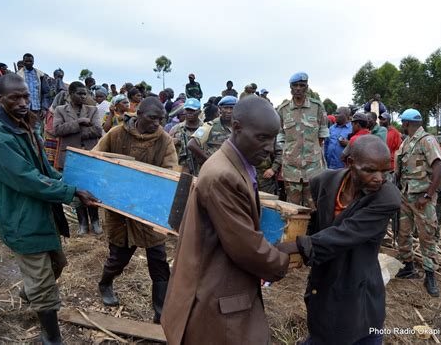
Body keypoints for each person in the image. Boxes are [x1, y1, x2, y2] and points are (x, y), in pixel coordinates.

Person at [161, 96, 295, 344]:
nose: (269, 147)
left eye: (273, 138)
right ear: (237, 128)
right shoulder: (223, 175)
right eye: (262, 138)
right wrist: (285, 260)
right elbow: (245, 248)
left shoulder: (237, 164)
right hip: (213, 294)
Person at [0, 73, 98, 344]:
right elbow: (25, 178)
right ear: (0, 99)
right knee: (44, 282)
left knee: (57, 263)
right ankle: (51, 337)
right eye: (14, 97)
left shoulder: (26, 124)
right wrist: (69, 191)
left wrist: (70, 184)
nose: (22, 102)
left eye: (26, 96)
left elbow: (43, 168)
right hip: (19, 214)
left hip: (39, 211)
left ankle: (29, 291)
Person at [291, 135, 401, 345]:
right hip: (323, 278)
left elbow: (344, 234)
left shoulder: (387, 197)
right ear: (350, 163)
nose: (379, 178)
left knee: (357, 329)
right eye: (369, 170)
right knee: (322, 326)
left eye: (384, 171)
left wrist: (292, 247)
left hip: (358, 281)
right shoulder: (324, 181)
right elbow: (318, 223)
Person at [94, 97, 177, 323]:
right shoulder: (116, 134)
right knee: (119, 256)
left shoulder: (165, 141)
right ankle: (105, 283)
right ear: (138, 113)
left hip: (150, 211)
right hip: (120, 209)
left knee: (158, 261)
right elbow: (96, 159)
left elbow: (170, 171)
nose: (157, 123)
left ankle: (161, 312)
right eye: (152, 118)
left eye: (161, 119)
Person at [395, 108, 441, 297]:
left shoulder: (427, 141)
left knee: (426, 235)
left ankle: (430, 275)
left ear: (406, 123)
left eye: (403, 123)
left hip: (423, 198)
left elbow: (438, 170)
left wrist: (428, 195)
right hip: (406, 196)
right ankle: (408, 266)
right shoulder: (407, 142)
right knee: (403, 232)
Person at [53, 81, 103, 235]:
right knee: (76, 190)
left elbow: (97, 131)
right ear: (70, 94)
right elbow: (57, 130)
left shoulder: (92, 110)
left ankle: (95, 222)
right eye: (79, 93)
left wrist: (74, 131)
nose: (83, 96)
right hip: (70, 157)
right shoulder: (60, 110)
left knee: (91, 188)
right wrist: (79, 122)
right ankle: (83, 224)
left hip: (89, 155)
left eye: (85, 93)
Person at [277, 72, 329, 209]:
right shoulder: (283, 110)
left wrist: (313, 151)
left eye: (302, 85)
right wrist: (288, 152)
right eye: (295, 85)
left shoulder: (317, 107)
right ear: (290, 88)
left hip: (313, 168)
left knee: (313, 206)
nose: (298, 88)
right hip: (291, 168)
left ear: (307, 87)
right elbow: (280, 136)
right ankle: (295, 231)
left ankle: (313, 231)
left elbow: (323, 133)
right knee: (292, 208)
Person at [187, 95, 236, 166]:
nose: (228, 111)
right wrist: (209, 159)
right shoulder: (210, 126)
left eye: (231, 108)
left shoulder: (240, 127)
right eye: (225, 108)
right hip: (214, 169)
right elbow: (191, 144)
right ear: (220, 109)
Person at [169, 98, 202, 175]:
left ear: (199, 112)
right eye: (187, 110)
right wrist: (175, 142)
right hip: (179, 170)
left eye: (193, 110)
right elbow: (167, 147)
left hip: (199, 170)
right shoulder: (176, 129)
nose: (190, 113)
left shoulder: (205, 129)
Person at [17, 53, 49, 120]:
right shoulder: (18, 75)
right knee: (23, 129)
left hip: (37, 110)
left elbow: (46, 93)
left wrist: (44, 108)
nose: (28, 63)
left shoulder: (40, 75)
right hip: (22, 109)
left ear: (33, 62)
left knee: (37, 129)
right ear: (23, 62)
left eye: (30, 61)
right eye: (26, 61)